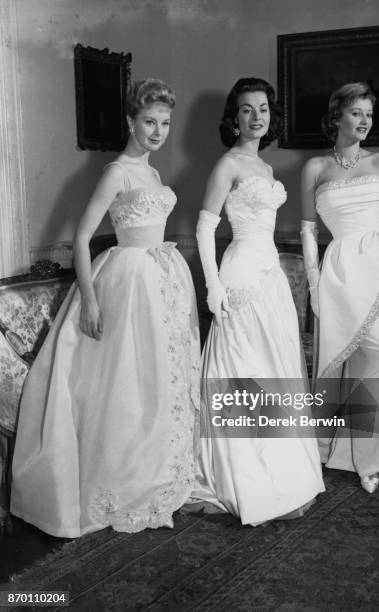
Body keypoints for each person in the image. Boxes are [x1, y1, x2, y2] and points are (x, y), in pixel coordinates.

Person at [11, 79, 200, 536]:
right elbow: (79, 238)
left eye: (164, 123)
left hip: (161, 278)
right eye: (149, 122)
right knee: (127, 383)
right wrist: (90, 299)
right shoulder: (116, 171)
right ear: (131, 121)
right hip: (127, 280)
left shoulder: (153, 175)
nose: (157, 131)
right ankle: (125, 481)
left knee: (160, 378)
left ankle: (161, 474)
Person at [188, 77, 325, 525]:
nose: (257, 116)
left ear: (272, 114)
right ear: (234, 117)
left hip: (270, 275)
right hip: (239, 273)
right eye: (247, 109)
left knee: (275, 366)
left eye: (263, 108)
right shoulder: (227, 164)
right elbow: (205, 229)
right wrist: (212, 285)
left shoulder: (265, 169)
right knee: (243, 367)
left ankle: (283, 471)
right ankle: (240, 477)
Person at [300, 82, 379, 494]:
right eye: (357, 113)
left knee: (378, 358)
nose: (365, 122)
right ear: (337, 116)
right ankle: (327, 449)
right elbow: (307, 230)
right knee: (338, 361)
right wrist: (315, 285)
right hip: (338, 271)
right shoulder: (315, 168)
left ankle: (371, 459)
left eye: (369, 116)